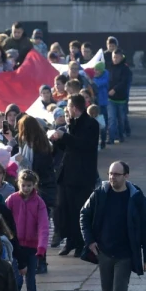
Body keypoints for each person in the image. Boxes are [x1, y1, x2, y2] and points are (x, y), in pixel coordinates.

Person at [79, 162, 146, 291]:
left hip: (126, 253)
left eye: (117, 174)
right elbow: (84, 214)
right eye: (110, 174)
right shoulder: (100, 193)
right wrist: (89, 240)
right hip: (104, 251)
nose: (112, 177)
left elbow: (145, 227)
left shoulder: (136, 197)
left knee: (119, 290)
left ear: (126, 176)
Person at [49, 94, 101, 257]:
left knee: (79, 210)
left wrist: (65, 136)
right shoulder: (71, 124)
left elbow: (84, 146)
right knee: (64, 208)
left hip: (82, 176)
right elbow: (68, 148)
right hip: (67, 174)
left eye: (69, 107)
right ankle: (69, 240)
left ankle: (80, 243)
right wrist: (58, 139)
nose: (67, 111)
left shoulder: (91, 124)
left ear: (75, 108)